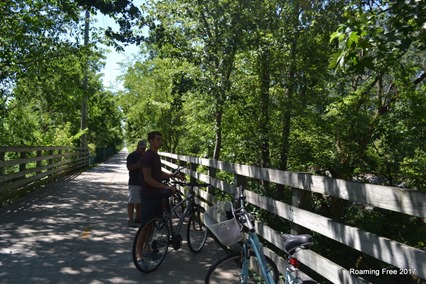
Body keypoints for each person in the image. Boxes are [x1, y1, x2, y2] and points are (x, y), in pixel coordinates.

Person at [135, 131, 184, 263]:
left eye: (161, 139)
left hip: (157, 195)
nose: (160, 142)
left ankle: (147, 249)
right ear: (151, 141)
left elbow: (158, 173)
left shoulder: (156, 156)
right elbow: (148, 178)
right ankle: (138, 253)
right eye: (157, 139)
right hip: (148, 195)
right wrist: (166, 187)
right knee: (145, 225)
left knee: (152, 224)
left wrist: (173, 175)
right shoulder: (147, 156)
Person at [126, 140, 146, 227]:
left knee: (139, 202)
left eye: (144, 148)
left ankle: (138, 218)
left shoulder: (144, 156)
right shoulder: (132, 156)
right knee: (132, 201)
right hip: (134, 182)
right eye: (142, 148)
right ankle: (130, 220)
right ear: (138, 147)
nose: (143, 150)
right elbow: (129, 167)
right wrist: (139, 164)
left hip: (142, 182)